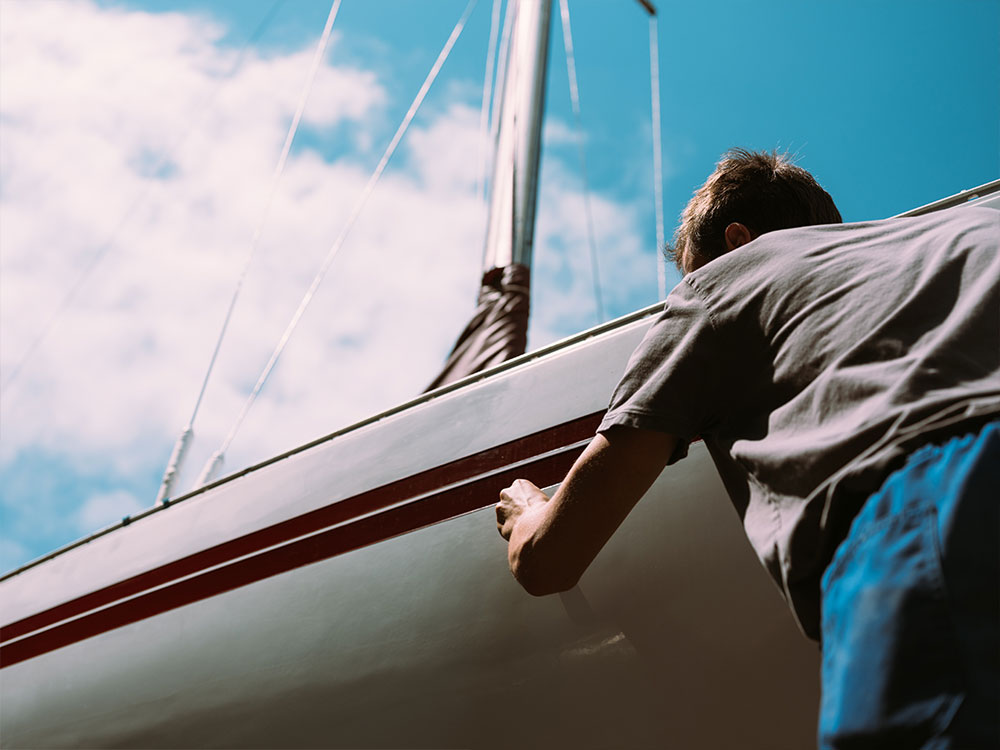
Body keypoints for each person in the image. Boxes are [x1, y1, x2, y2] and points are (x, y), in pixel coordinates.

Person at [495, 149, 1000, 749]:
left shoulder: (728, 278)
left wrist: (529, 516)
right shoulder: (972, 224)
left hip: (936, 508)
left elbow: (552, 559)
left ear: (737, 238)